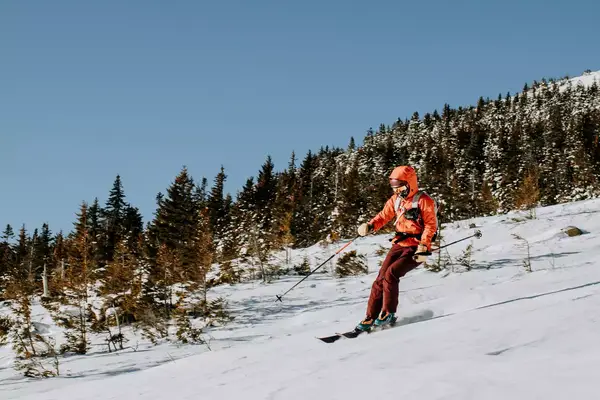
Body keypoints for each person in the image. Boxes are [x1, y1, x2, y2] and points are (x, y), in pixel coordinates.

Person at [355, 165, 438, 331]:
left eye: (400, 186)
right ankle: (370, 318)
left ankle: (388, 313)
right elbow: (383, 216)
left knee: (391, 274)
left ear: (409, 183)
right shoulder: (396, 200)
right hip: (399, 244)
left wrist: (424, 246)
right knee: (380, 279)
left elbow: (430, 225)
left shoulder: (424, 201)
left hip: (417, 247)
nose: (397, 190)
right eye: (394, 187)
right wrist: (370, 226)